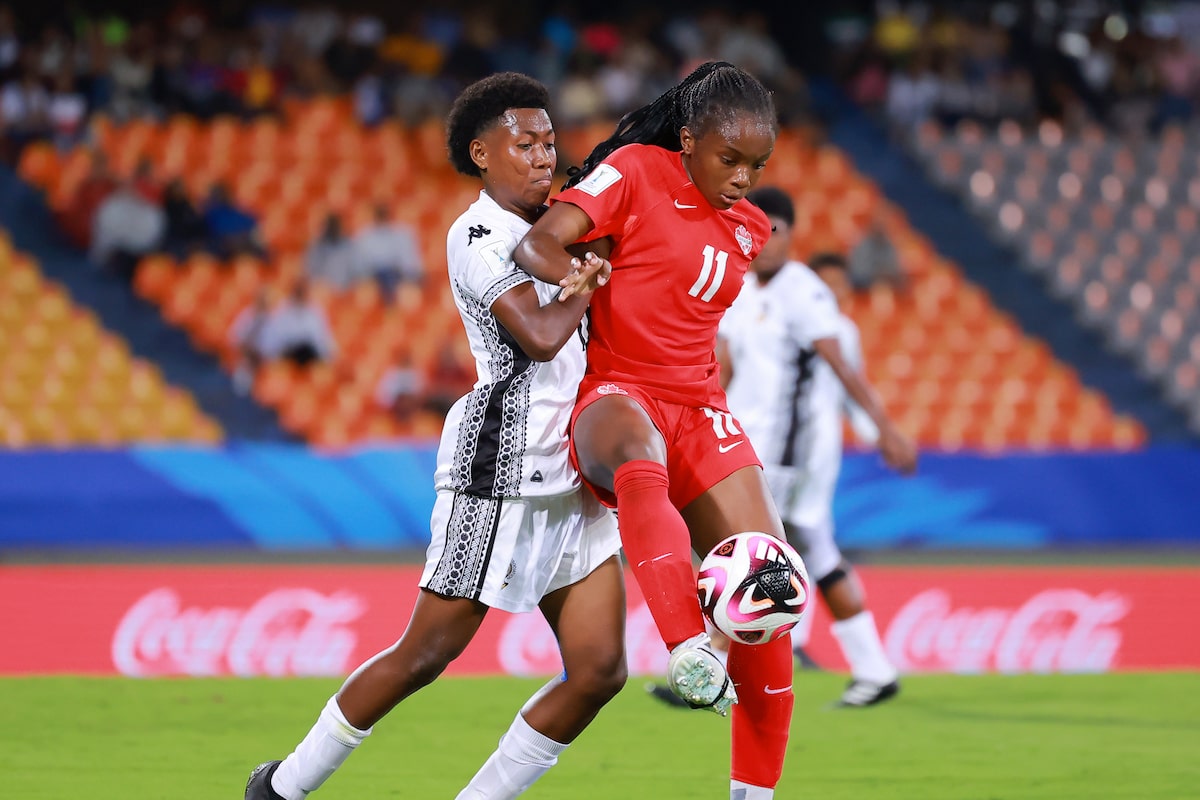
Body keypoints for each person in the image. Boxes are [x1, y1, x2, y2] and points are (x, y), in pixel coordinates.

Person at [246, 71, 626, 800]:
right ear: (482, 154)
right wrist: (588, 278)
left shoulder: (563, 227)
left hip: (577, 468)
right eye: (525, 143)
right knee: (425, 654)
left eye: (549, 142)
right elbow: (541, 336)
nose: (543, 155)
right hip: (502, 464)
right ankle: (282, 786)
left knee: (600, 669)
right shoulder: (477, 234)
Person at [515, 61, 796, 800]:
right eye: (730, 159)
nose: (743, 178)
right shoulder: (636, 171)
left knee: (769, 590)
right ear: (690, 138)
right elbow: (537, 247)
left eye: (757, 165)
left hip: (700, 406)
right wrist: (587, 272)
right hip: (617, 391)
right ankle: (687, 646)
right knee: (641, 458)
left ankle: (753, 794)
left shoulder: (751, 227)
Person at [719, 188, 917, 706]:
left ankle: (715, 667)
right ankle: (874, 669)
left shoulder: (802, 292)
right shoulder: (741, 290)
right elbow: (725, 367)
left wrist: (885, 429)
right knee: (811, 550)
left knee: (747, 547)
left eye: (775, 230)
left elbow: (840, 364)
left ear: (791, 235)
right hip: (748, 444)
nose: (765, 240)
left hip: (788, 452)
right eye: (756, 229)